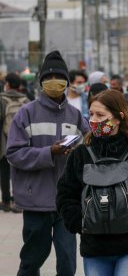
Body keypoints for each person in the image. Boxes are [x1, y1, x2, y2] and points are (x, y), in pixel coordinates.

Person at [57, 89, 128, 276]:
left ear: (118, 117)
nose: (94, 120)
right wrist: (79, 222)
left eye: (100, 115)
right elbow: (65, 194)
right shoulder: (80, 153)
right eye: (91, 114)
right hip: (94, 248)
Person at [6, 50, 90, 276]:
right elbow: (13, 153)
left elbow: (90, 147)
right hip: (35, 201)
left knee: (67, 261)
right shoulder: (26, 113)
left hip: (66, 201)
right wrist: (49, 152)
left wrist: (77, 152)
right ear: (41, 82)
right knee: (32, 260)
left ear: (67, 83)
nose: (54, 83)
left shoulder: (75, 115)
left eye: (59, 78)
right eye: (49, 78)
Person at [0, 73, 29, 213]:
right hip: (22, 143)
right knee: (20, 172)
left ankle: (6, 201)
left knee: (4, 172)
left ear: (8, 84)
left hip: (5, 142)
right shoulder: (26, 100)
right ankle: (19, 202)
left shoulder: (2, 100)